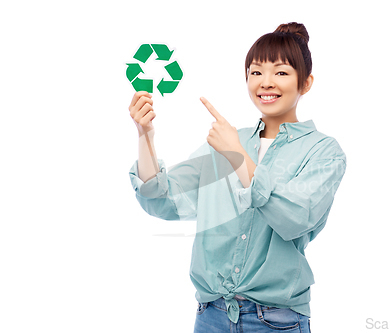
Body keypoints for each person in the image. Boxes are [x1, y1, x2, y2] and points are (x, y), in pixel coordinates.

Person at [128, 22, 346, 333]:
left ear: (306, 82)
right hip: (211, 316)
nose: (265, 83)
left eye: (281, 72)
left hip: (276, 321)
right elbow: (162, 200)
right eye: (256, 72)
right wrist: (145, 136)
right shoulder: (226, 141)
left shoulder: (323, 151)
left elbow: (296, 217)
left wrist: (238, 156)